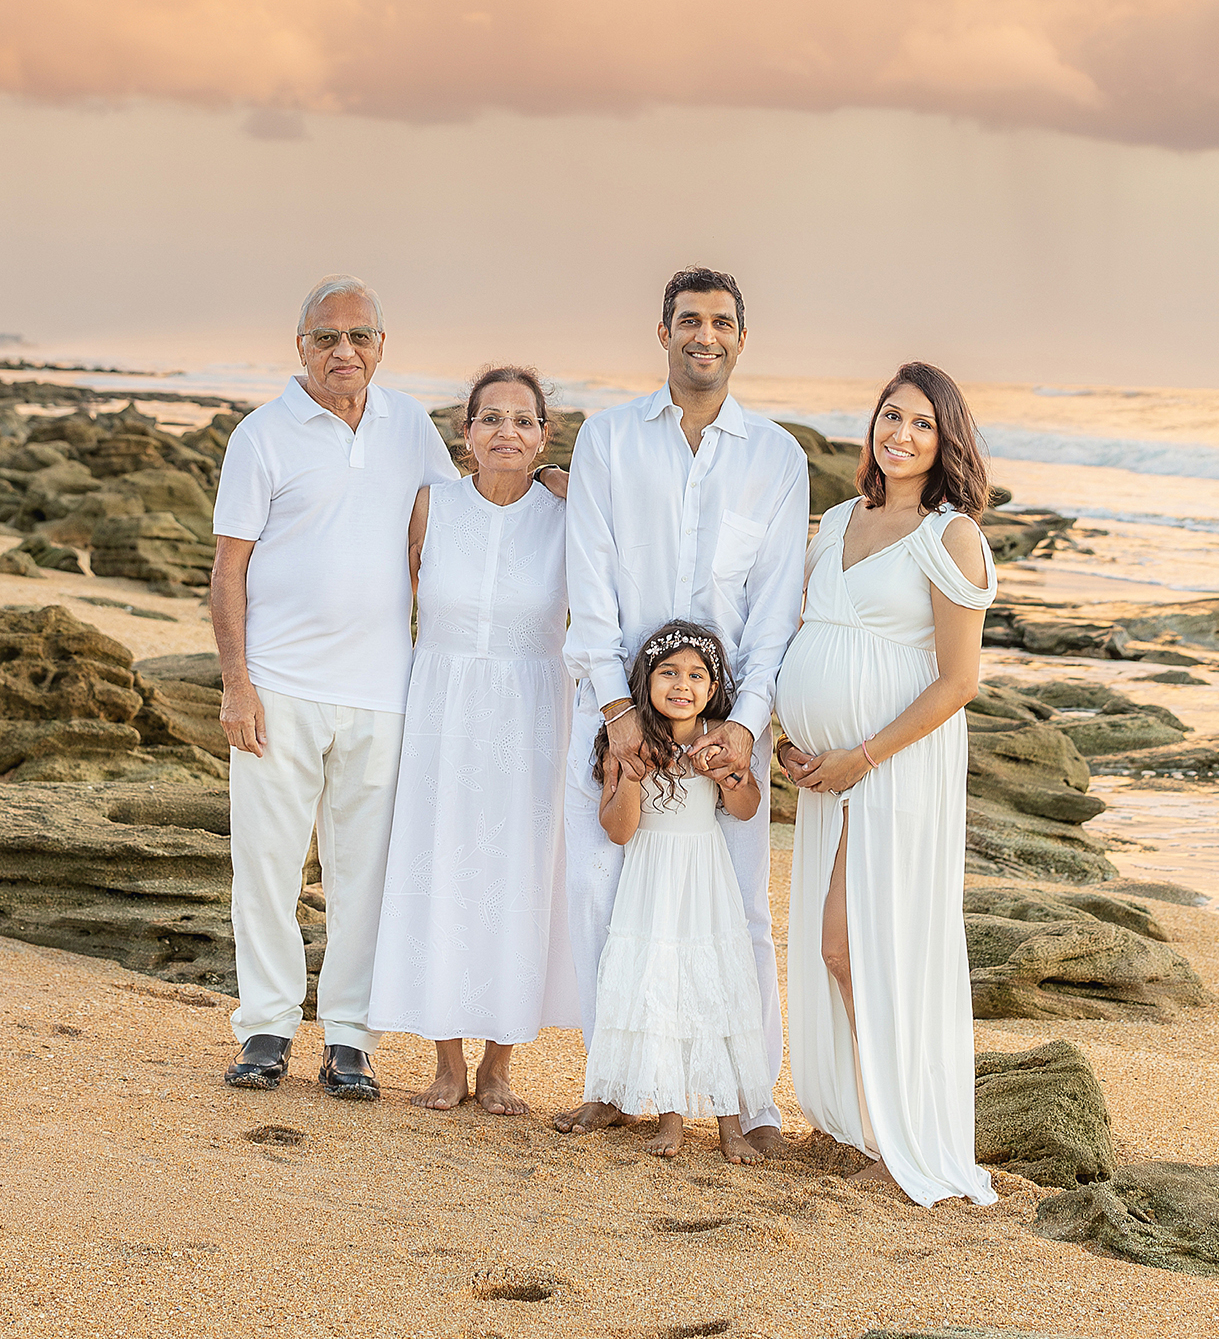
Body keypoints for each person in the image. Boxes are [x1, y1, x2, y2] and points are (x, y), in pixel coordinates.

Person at [556, 267, 808, 1152]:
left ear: (743, 340)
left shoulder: (776, 458)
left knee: (738, 913)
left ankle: (756, 1100)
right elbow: (589, 582)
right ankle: (616, 1084)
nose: (706, 334)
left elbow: (776, 612)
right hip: (619, 712)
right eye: (690, 320)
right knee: (602, 895)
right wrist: (618, 710)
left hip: (723, 732)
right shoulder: (609, 440)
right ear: (661, 332)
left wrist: (747, 726)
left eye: (723, 322)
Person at [210, 274, 456, 1101]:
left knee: (365, 878)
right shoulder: (262, 435)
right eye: (327, 337)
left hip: (383, 694)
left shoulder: (411, 427)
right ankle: (267, 1029)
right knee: (268, 871)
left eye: (359, 337)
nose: (343, 351)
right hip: (279, 688)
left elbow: (439, 547)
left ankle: (350, 1036)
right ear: (301, 346)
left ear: (382, 345)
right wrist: (236, 686)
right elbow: (228, 570)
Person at [776, 361, 998, 1207]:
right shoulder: (837, 520)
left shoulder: (951, 537)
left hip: (898, 768)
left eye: (921, 424)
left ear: (946, 442)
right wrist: (796, 742)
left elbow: (957, 682)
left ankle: (901, 1126)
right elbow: (806, 633)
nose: (900, 435)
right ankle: (874, 1120)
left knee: (864, 945)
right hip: (830, 773)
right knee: (843, 946)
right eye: (890, 417)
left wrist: (859, 757)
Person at [369, 364, 577, 1113]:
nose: (506, 434)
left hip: (533, 709)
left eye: (523, 421)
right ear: (466, 434)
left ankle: (499, 1065)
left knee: (519, 876)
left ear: (544, 436)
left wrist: (569, 483)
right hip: (442, 707)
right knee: (441, 869)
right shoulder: (432, 506)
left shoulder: (568, 516)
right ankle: (446, 1062)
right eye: (491, 419)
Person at [580, 622, 772, 1162]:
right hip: (650, 882)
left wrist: (733, 777)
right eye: (668, 673)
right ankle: (670, 1117)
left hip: (704, 880)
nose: (681, 685)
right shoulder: (632, 742)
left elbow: (747, 809)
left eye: (695, 675)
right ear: (647, 682)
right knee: (661, 987)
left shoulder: (720, 739)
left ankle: (730, 1125)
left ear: (712, 690)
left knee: (715, 989)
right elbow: (617, 829)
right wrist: (635, 778)